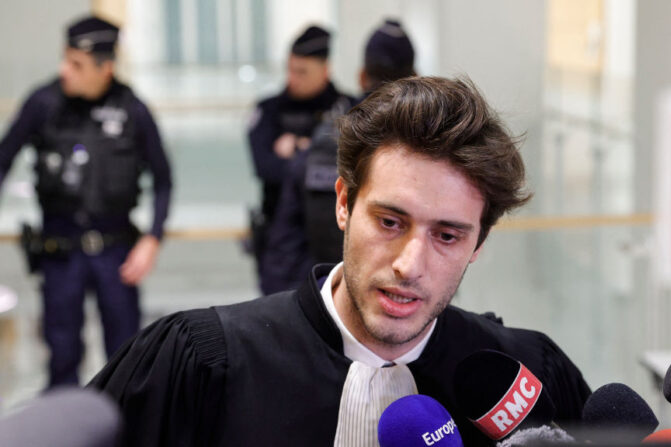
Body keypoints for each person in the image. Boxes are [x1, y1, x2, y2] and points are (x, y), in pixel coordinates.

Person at [90, 76, 590, 446]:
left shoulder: (528, 378)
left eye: (448, 235)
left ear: (478, 243)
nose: (409, 265)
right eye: (390, 222)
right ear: (343, 203)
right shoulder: (203, 364)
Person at [0, 16, 172, 387]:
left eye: (76, 64)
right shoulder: (43, 103)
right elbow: (2, 161)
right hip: (60, 251)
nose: (65, 70)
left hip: (117, 252)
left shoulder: (132, 110)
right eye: (65, 59)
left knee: (125, 360)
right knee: (62, 358)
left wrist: (152, 239)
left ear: (105, 67)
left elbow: (163, 180)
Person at [259, 19, 416, 293]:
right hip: (400, 298)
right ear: (415, 77)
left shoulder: (334, 134)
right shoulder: (435, 143)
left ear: (362, 76)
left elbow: (286, 243)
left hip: (320, 298)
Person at [247, 25, 353, 295]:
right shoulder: (269, 110)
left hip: (337, 243)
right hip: (281, 247)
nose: (293, 78)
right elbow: (266, 168)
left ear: (325, 70)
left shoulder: (350, 110)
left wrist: (297, 148)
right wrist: (320, 158)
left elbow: (356, 170)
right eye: (290, 69)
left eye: (302, 71)